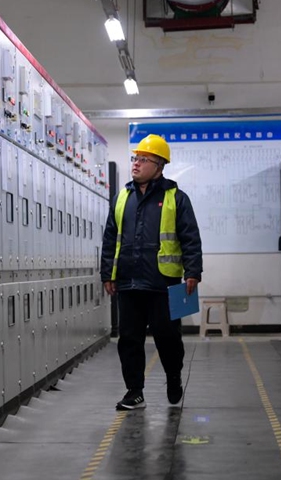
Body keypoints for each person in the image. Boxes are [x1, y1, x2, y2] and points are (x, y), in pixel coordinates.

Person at [100, 134, 203, 411]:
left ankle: (173, 376)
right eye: (135, 158)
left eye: (143, 159)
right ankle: (135, 391)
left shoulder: (176, 198)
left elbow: (190, 237)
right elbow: (111, 237)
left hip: (164, 282)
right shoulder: (122, 197)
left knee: (168, 337)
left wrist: (193, 272)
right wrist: (108, 273)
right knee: (129, 339)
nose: (136, 164)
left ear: (159, 165)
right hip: (129, 281)